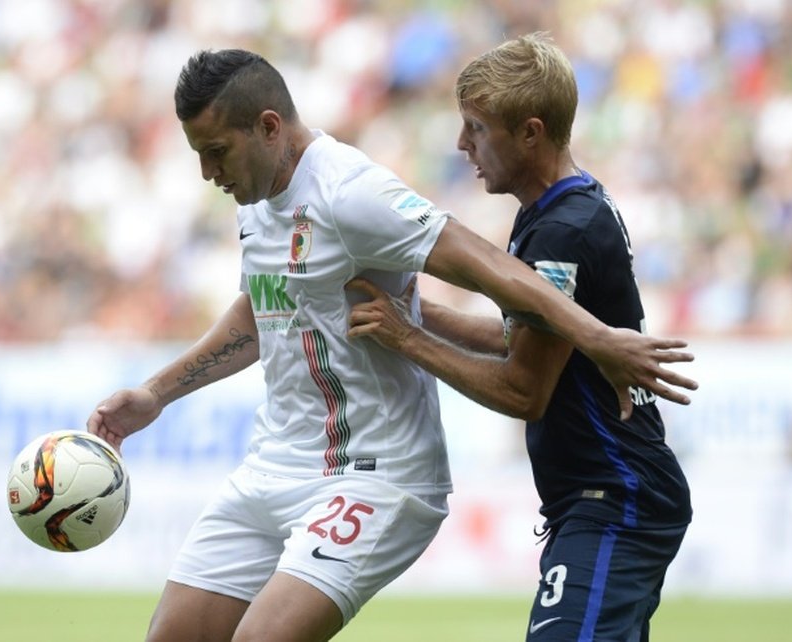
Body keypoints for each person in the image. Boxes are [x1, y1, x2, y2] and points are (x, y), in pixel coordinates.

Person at [86, 47, 696, 642]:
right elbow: (262, 311)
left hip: (374, 473)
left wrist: (595, 337)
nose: (207, 173)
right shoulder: (258, 202)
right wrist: (155, 393)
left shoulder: (352, 193)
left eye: (216, 152)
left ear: (269, 128)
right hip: (274, 463)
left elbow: (487, 279)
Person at [347, 33, 692, 641]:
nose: (462, 144)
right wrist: (419, 314)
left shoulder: (565, 229)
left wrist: (409, 340)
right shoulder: (563, 207)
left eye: (476, 128)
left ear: (530, 132)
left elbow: (524, 391)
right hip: (603, 497)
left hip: (615, 498)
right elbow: (527, 339)